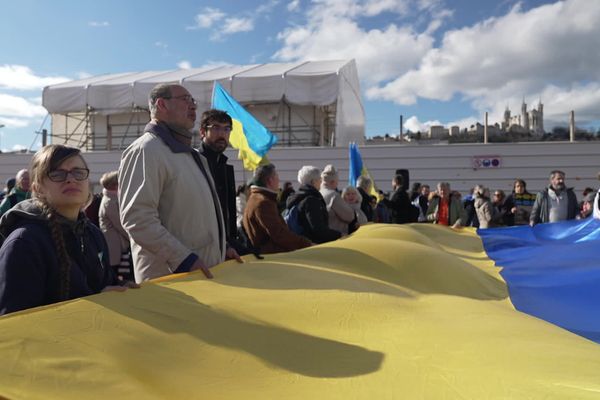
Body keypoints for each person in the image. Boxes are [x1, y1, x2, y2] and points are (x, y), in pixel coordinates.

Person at [119, 83, 240, 283]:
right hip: (173, 281)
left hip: (201, 276)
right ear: (161, 105)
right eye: (185, 100)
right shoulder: (146, 150)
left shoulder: (192, 156)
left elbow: (195, 218)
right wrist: (183, 259)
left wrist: (221, 248)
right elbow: (138, 219)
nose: (193, 106)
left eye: (193, 101)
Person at [0, 145, 136, 315]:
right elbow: (16, 324)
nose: (71, 179)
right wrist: (94, 305)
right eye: (57, 174)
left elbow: (103, 283)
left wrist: (122, 287)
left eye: (78, 172)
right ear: (37, 188)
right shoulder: (23, 243)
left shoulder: (93, 234)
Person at [243, 164, 311, 254]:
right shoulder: (263, 203)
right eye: (277, 177)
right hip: (272, 257)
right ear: (270, 181)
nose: (279, 180)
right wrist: (307, 244)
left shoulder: (255, 198)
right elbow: (279, 234)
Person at [197, 109, 237, 242]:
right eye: (216, 128)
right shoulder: (194, 164)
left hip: (224, 248)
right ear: (202, 132)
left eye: (227, 129)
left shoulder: (223, 166)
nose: (222, 134)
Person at [286, 166, 341, 244]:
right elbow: (318, 230)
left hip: (300, 243)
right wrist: (340, 235)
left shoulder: (297, 197)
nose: (321, 182)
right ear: (313, 182)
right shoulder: (311, 200)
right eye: (320, 179)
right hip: (312, 246)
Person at [98, 171, 132, 280]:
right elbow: (120, 225)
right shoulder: (111, 202)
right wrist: (133, 238)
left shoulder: (110, 199)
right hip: (115, 246)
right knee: (118, 275)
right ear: (116, 185)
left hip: (116, 245)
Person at [320, 165, 355, 235]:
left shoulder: (318, 193)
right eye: (337, 181)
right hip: (336, 236)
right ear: (332, 181)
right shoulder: (333, 195)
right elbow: (349, 216)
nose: (337, 183)